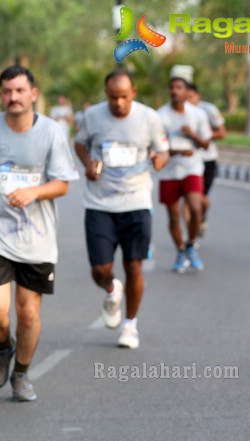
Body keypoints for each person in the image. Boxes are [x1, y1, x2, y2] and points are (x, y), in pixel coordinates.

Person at [0, 65, 78, 401]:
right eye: (7, 91)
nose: (13, 97)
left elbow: (63, 184)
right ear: (1, 95)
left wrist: (34, 193)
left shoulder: (52, 132)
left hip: (36, 238)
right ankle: (4, 346)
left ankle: (21, 374)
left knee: (28, 311)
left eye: (20, 91)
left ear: (33, 94)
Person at [74, 70, 168, 350]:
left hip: (137, 202)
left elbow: (163, 150)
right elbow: (79, 143)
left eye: (124, 97)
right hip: (99, 204)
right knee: (100, 269)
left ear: (134, 93)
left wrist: (160, 159)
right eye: (113, 97)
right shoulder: (92, 117)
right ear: (106, 95)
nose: (118, 103)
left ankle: (130, 326)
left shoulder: (149, 118)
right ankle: (112, 288)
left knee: (134, 265)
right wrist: (88, 163)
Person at [157, 77, 211, 273]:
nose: (174, 91)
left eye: (179, 87)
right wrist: (176, 151)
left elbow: (206, 144)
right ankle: (180, 250)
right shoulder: (160, 116)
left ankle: (191, 243)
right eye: (171, 87)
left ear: (187, 92)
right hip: (169, 171)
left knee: (195, 208)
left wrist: (192, 135)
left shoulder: (197, 114)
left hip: (192, 168)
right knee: (173, 216)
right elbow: (156, 148)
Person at [187, 83, 226, 234]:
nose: (189, 100)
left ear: (198, 96)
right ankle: (190, 234)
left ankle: (201, 219)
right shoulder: (180, 111)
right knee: (188, 199)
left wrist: (200, 136)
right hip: (189, 161)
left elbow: (222, 133)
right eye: (186, 97)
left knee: (201, 199)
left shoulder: (208, 110)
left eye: (192, 97)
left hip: (207, 159)